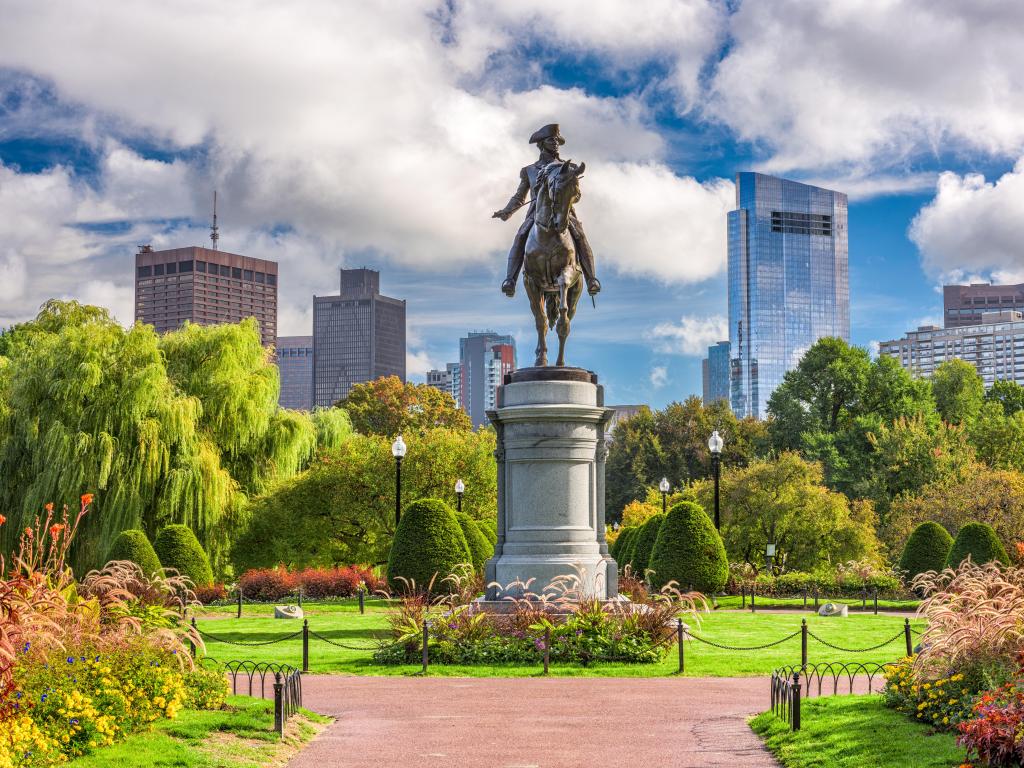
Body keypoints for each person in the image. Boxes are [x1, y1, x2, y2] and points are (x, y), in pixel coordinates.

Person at [492, 123, 600, 298]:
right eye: (552, 140)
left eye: (557, 140)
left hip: (564, 212)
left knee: (580, 237)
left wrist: (568, 197)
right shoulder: (529, 170)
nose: (556, 143)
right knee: (520, 236)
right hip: (536, 214)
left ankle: (591, 279)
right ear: (542, 144)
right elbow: (520, 197)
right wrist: (507, 211)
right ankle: (510, 280)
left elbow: (577, 195)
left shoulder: (569, 168)